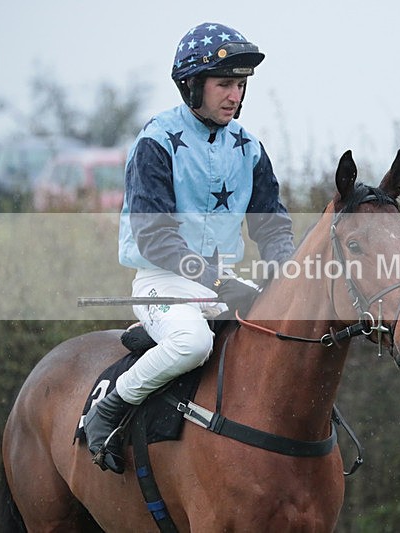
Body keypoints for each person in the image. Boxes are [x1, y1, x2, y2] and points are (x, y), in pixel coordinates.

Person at [83, 22, 295, 474]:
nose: (234, 95)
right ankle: (111, 406)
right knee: (192, 342)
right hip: (162, 280)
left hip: (221, 281)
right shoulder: (156, 142)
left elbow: (272, 226)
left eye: (240, 85)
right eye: (224, 84)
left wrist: (283, 271)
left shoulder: (250, 148)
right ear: (192, 86)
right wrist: (220, 281)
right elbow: (156, 239)